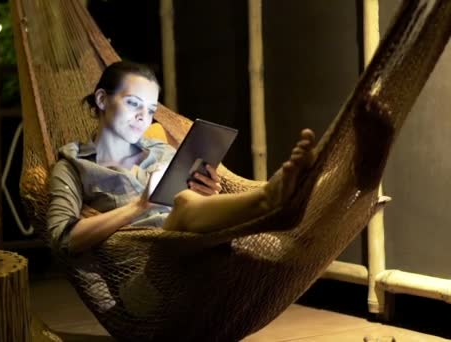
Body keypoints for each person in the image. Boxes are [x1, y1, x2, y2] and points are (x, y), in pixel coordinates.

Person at [46, 61, 316, 255]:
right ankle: (271, 199)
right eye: (133, 103)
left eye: (150, 109)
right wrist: (138, 207)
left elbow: (196, 206)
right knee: (184, 202)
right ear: (102, 100)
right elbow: (63, 238)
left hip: (203, 247)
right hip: (149, 266)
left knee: (193, 202)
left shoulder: (161, 150)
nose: (143, 116)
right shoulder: (73, 166)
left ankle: (322, 183)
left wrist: (207, 193)